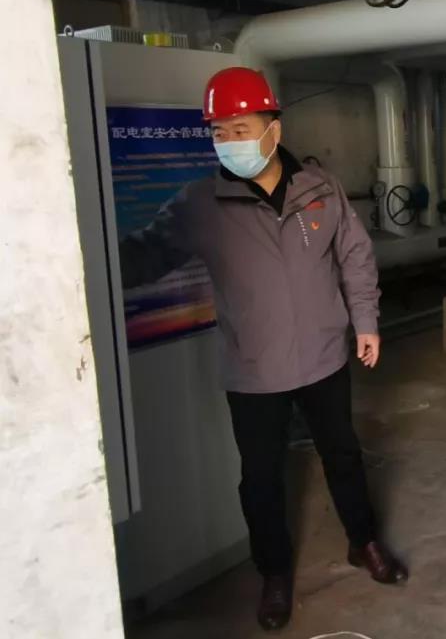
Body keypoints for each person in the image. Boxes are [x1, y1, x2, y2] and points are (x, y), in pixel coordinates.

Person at [119, 67, 407, 632]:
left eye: (241, 128)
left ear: (274, 128)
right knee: (261, 477)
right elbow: (142, 256)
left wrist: (366, 322)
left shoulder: (320, 188)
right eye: (219, 132)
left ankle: (363, 541)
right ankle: (273, 572)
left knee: (343, 455)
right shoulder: (200, 204)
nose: (230, 141)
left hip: (324, 356)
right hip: (253, 368)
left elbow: (354, 255)